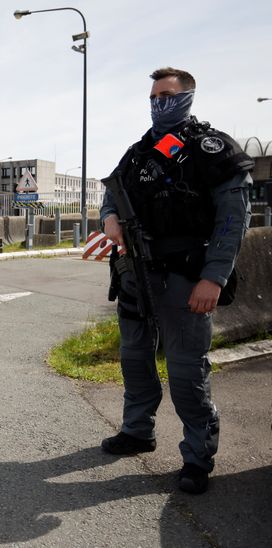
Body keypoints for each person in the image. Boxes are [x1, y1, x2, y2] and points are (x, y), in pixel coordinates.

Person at [99, 67, 254, 494]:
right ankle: (137, 430)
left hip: (187, 276)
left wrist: (214, 278)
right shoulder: (140, 151)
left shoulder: (213, 150)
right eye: (153, 97)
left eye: (167, 95)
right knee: (134, 358)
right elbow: (111, 195)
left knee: (186, 369)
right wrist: (109, 218)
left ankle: (197, 456)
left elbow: (232, 222)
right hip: (135, 274)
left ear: (188, 96)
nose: (158, 104)